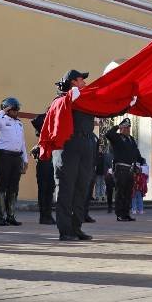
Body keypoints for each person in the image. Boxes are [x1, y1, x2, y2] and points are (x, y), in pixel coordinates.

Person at [51, 69, 95, 241]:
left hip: (85, 145)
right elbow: (59, 107)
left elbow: (105, 109)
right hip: (67, 146)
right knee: (66, 189)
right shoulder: (60, 99)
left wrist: (126, 104)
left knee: (81, 189)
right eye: (81, 80)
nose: (84, 82)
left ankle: (76, 228)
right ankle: (65, 230)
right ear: (73, 82)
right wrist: (70, 95)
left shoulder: (85, 100)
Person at [0, 97, 28, 226]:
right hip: (3, 157)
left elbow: (22, 142)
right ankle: (0, 217)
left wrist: (25, 160)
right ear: (7, 109)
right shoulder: (2, 120)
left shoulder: (19, 123)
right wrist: (2, 112)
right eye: (13, 108)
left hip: (16, 158)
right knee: (2, 187)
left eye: (17, 109)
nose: (16, 111)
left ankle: (10, 215)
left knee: (13, 188)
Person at [105, 117, 145, 221]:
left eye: (129, 128)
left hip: (130, 169)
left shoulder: (131, 139)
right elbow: (108, 134)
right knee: (120, 192)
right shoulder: (117, 137)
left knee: (128, 193)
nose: (128, 129)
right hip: (120, 169)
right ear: (122, 128)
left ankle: (126, 213)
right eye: (126, 127)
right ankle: (120, 214)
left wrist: (141, 161)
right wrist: (117, 126)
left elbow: (135, 152)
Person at [31, 111, 56, 225]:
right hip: (43, 157)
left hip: (52, 156)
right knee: (44, 188)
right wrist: (49, 113)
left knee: (50, 189)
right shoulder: (43, 121)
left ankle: (48, 214)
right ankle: (43, 216)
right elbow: (35, 120)